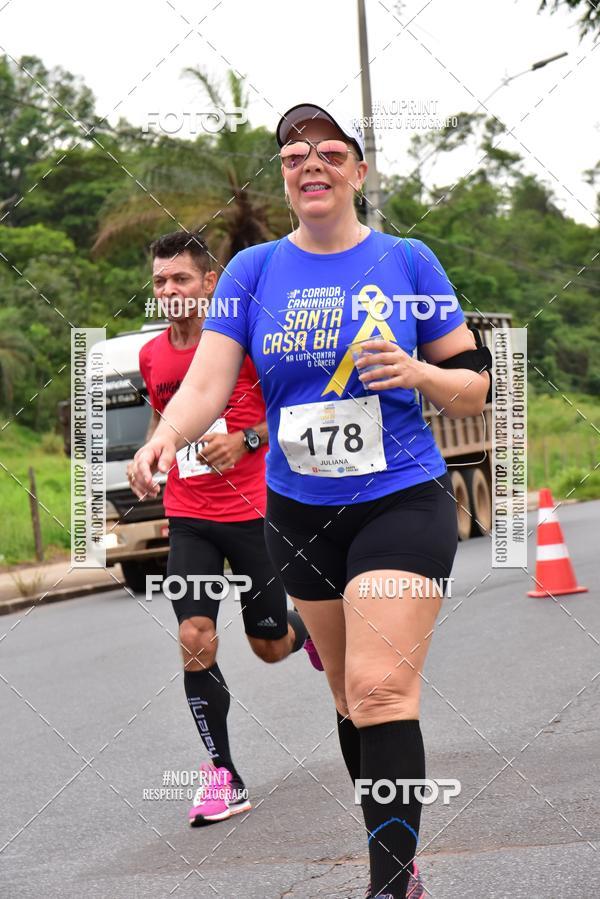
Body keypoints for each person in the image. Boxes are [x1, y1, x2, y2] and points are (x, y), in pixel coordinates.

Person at [129, 106, 491, 897]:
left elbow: (476, 383)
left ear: (359, 171)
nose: (311, 163)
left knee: (380, 688)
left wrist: (420, 375)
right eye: (294, 155)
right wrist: (164, 436)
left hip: (401, 497)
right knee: (347, 695)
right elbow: (208, 383)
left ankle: (388, 884)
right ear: (286, 179)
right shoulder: (254, 273)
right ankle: (399, 857)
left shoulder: (408, 259)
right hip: (299, 513)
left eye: (329, 151)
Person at [132, 230, 312, 827]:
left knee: (267, 647)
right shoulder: (152, 356)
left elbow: (288, 416)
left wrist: (246, 441)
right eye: (160, 281)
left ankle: (300, 631)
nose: (169, 290)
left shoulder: (246, 342)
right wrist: (153, 458)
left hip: (257, 511)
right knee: (195, 636)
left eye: (181, 278)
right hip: (189, 516)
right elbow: (169, 421)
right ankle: (224, 776)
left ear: (209, 282)